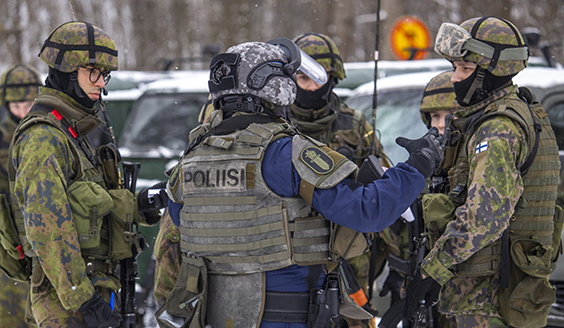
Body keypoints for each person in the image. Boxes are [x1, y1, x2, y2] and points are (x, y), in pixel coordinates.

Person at [161, 40, 444, 328]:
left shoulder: (190, 161)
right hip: (288, 316)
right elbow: (368, 211)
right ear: (276, 88)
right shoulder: (286, 153)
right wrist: (418, 166)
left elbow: (182, 223)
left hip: (219, 316)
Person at [404, 16, 561, 328]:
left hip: (487, 302)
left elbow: (486, 216)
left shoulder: (497, 130)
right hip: (493, 298)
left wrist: (432, 270)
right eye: (455, 69)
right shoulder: (510, 116)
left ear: (492, 73)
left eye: (464, 69)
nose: (456, 79)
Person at [10, 21, 168, 327]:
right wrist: (82, 298)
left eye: (105, 75)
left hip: (93, 291)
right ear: (68, 71)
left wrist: (138, 204)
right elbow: (48, 226)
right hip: (67, 306)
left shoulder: (73, 132)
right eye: (93, 72)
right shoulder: (45, 137)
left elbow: (89, 205)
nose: (101, 82)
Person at [289, 32, 389, 328]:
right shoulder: (277, 124)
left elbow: (381, 187)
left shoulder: (355, 124)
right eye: (301, 79)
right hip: (293, 250)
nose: (309, 88)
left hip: (347, 255)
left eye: (317, 78)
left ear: (333, 77)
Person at [378, 71, 461, 328]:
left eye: (449, 115)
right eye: (434, 116)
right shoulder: (424, 167)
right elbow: (408, 230)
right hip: (424, 295)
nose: (440, 124)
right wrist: (398, 268)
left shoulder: (475, 163)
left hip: (465, 294)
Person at [0, 64, 42, 327]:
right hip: (7, 234)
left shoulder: (45, 133)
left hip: (39, 231)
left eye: (27, 105)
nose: (22, 112)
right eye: (16, 107)